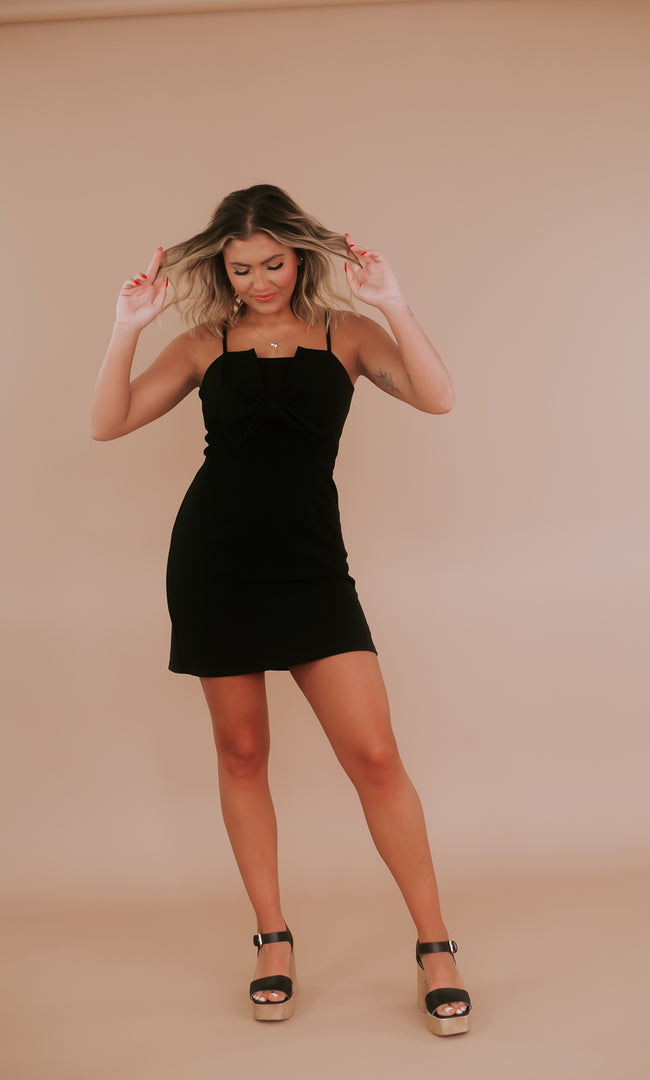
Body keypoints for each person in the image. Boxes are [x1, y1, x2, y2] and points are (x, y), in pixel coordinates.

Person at [90, 184, 471, 1036]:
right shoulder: (203, 343)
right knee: (242, 752)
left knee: (375, 755)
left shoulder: (348, 334)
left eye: (273, 263)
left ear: (299, 256)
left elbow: (438, 395)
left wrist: (395, 303)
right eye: (241, 269)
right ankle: (272, 938)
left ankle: (436, 946)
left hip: (310, 568)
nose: (259, 281)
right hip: (214, 564)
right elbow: (108, 422)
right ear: (222, 271)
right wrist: (126, 327)